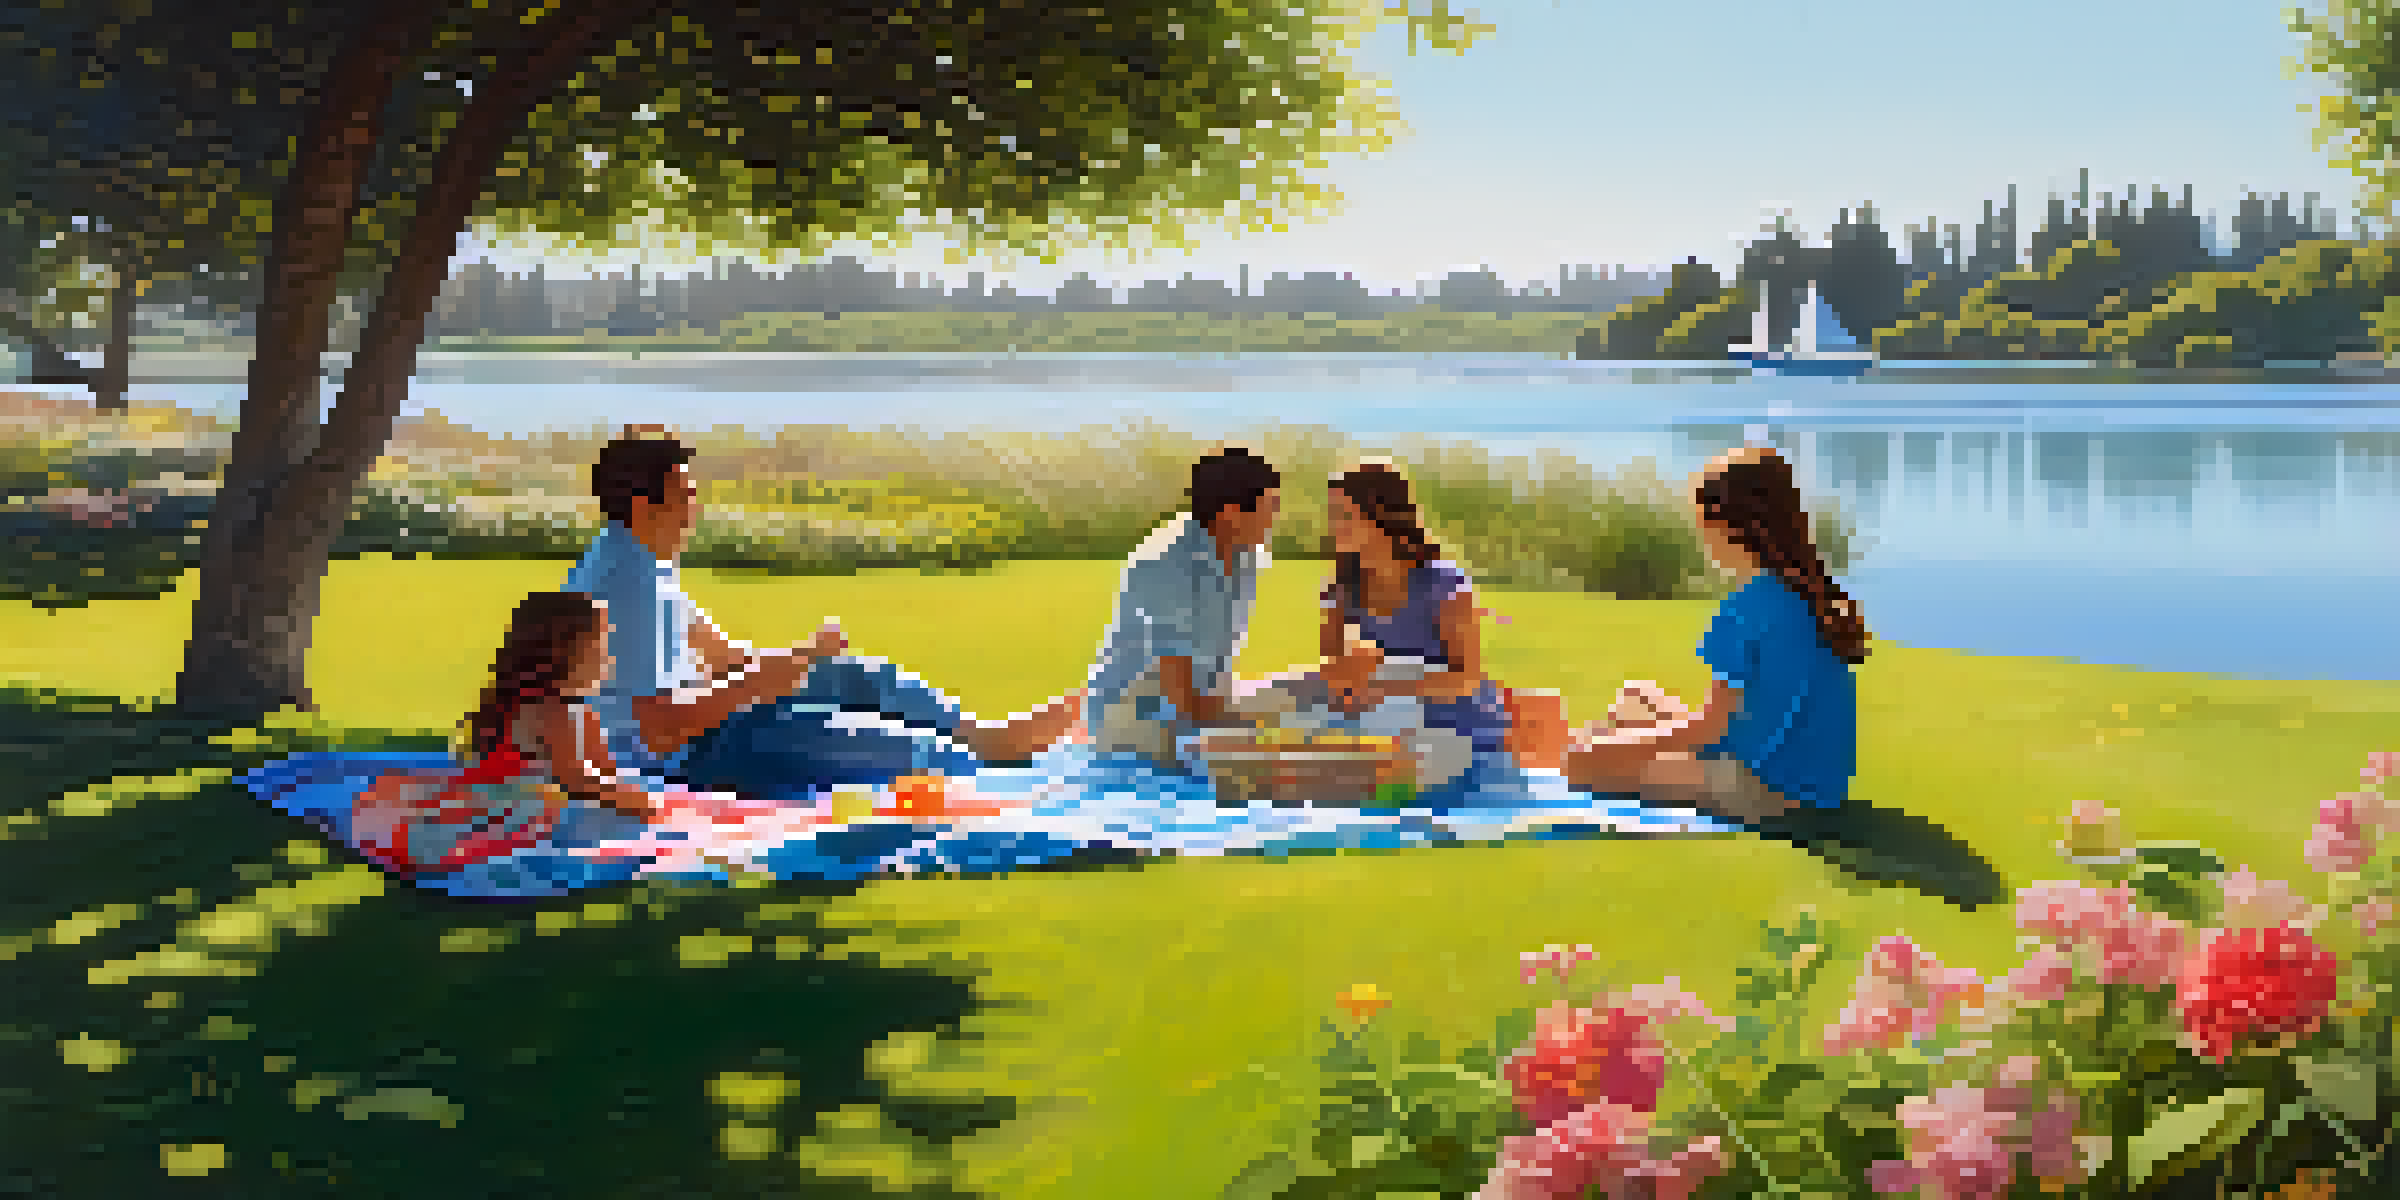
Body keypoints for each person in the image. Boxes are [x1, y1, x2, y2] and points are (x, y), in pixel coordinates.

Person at [564, 427, 1083, 800]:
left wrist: (798, 661)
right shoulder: (626, 587)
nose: (695, 510)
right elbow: (657, 731)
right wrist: (761, 683)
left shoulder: (644, 560)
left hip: (717, 720)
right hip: (690, 757)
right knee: (860, 739)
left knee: (850, 678)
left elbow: (725, 656)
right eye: (684, 497)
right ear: (641, 506)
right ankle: (972, 757)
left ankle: (987, 736)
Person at [1563, 445, 1867, 825]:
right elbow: (1742, 717)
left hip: (1769, 793)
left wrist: (1603, 750)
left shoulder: (1744, 611)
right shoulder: (1809, 593)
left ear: (1726, 524)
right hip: (1821, 784)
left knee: (1584, 767)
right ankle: (1612, 741)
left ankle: (1605, 753)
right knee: (1636, 700)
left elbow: (1709, 728)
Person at [351, 591, 660, 876]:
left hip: (496, 795)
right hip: (517, 809)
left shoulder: (536, 704)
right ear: (564, 652)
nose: (609, 659)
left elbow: (604, 771)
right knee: (617, 823)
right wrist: (640, 802)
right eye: (601, 647)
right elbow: (579, 781)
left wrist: (621, 788)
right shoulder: (554, 712)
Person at [1300, 459, 1567, 777]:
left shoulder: (1444, 586)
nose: (1333, 526)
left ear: (1379, 516)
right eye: (1332, 515)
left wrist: (1384, 686)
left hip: (1460, 737)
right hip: (1387, 733)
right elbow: (1334, 671)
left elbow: (1466, 679)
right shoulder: (1340, 590)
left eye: (1343, 515)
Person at [1082, 447, 1283, 764]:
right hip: (1134, 713)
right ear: (1231, 513)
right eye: (1270, 508)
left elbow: (1215, 664)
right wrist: (1257, 730)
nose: (1275, 518)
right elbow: (1177, 695)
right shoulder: (1166, 563)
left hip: (1197, 699)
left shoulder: (1247, 555)